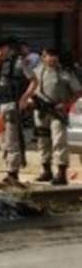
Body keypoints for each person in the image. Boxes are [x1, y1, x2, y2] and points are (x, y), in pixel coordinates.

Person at [21, 48, 82, 185]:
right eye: (49, 56)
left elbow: (78, 91)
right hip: (40, 112)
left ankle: (61, 173)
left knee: (59, 141)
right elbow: (31, 87)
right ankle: (46, 170)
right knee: (43, 141)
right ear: (43, 58)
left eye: (54, 56)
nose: (52, 59)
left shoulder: (64, 73)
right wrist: (29, 99)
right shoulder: (37, 71)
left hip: (57, 112)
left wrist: (66, 104)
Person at [0, 36, 36, 184]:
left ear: (6, 48)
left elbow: (34, 81)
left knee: (12, 139)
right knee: (2, 139)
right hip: (1, 104)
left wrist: (25, 98)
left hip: (13, 104)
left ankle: (13, 173)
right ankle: (9, 166)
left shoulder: (20, 62)